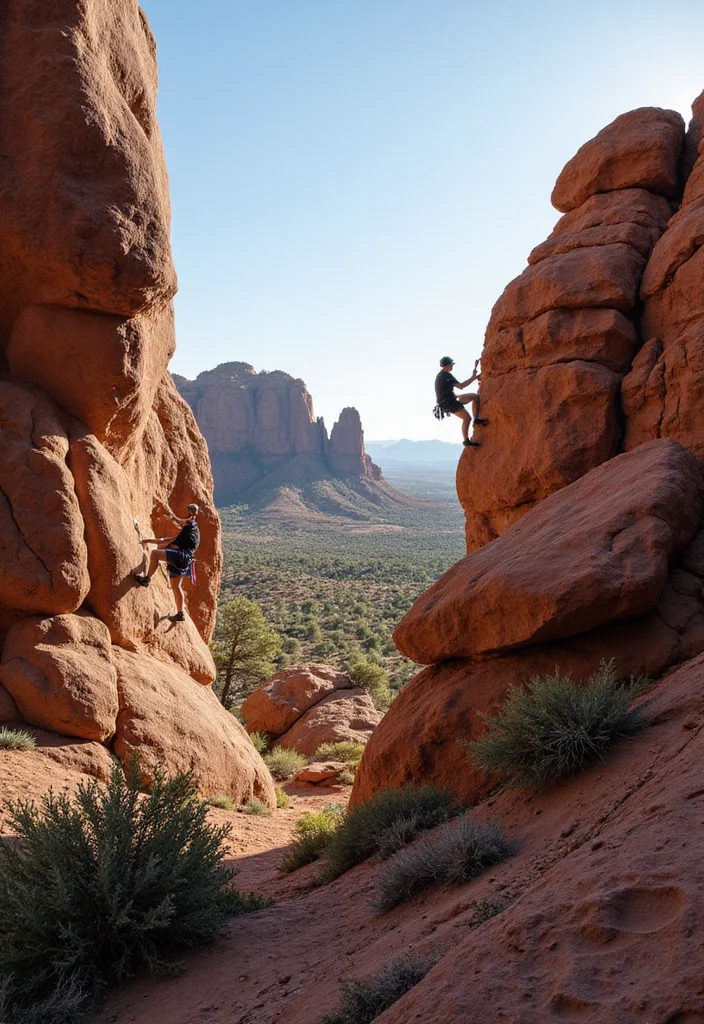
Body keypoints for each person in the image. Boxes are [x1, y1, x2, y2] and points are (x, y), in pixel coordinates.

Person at [133, 503, 200, 622]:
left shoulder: (189, 527)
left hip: (181, 557)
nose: (180, 523)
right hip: (185, 561)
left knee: (155, 554)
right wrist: (148, 540)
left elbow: (175, 532)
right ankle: (180, 614)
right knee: (176, 586)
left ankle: (146, 579)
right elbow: (168, 539)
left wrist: (176, 516)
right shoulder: (192, 530)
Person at [434, 356, 487, 446]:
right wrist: (474, 377)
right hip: (449, 402)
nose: (452, 366)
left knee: (475, 397)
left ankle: (476, 419)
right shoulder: (446, 375)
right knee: (467, 418)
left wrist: (474, 371)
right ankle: (466, 440)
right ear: (448, 365)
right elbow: (461, 386)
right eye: (451, 365)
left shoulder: (441, 375)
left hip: (449, 400)